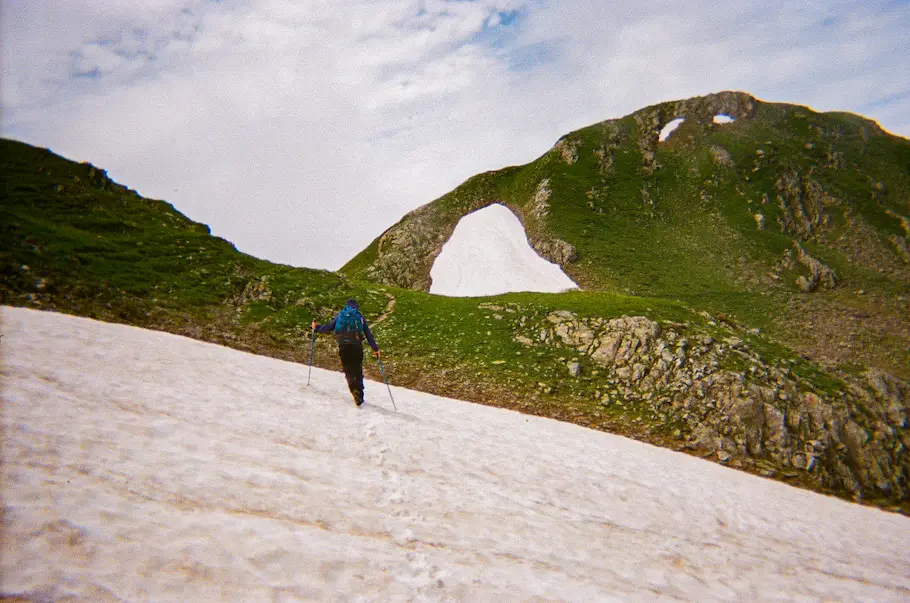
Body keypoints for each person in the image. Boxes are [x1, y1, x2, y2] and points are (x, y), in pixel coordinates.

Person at [312, 298, 380, 406]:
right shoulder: (360, 316)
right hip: (356, 346)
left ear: (346, 305)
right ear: (356, 306)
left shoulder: (341, 315)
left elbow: (328, 327)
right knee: (357, 370)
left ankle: (354, 391)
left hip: (343, 346)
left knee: (348, 370)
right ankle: (360, 395)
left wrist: (316, 327)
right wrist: (375, 349)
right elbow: (368, 334)